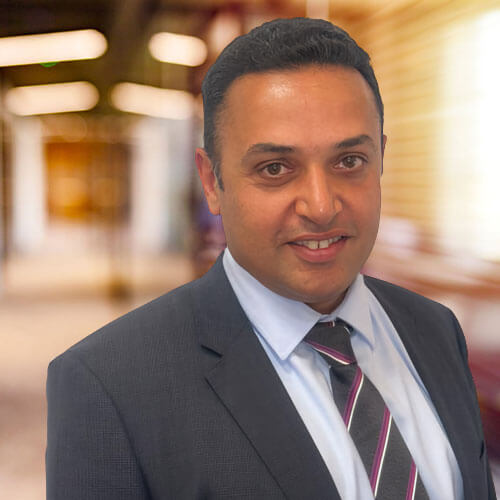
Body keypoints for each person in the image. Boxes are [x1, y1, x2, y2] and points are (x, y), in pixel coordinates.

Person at [46, 18, 496, 500]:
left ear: (380, 159)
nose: (321, 206)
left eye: (349, 161)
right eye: (275, 168)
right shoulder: (109, 387)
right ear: (211, 181)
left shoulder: (434, 330)